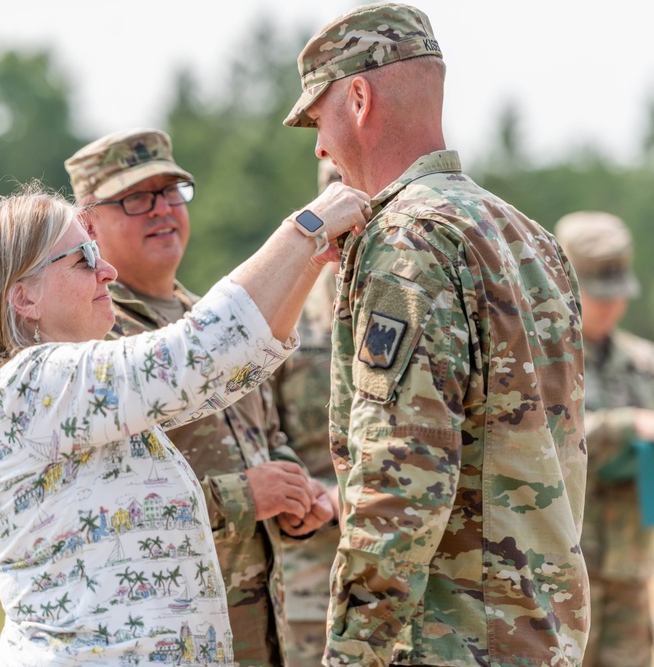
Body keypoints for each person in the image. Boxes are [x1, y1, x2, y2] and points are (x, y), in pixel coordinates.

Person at [0, 181, 369, 666]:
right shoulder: (29, 387)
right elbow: (194, 355)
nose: (107, 270)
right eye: (84, 259)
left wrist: (304, 262)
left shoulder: (63, 393)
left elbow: (225, 373)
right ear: (25, 299)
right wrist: (305, 229)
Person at [283, 3, 590, 666]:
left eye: (317, 117)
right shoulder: (528, 236)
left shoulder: (406, 240)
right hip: (539, 634)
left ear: (358, 98)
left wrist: (351, 652)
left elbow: (400, 477)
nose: (318, 146)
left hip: (449, 641)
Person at [63, 128, 338, 666]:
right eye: (137, 198)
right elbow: (101, 508)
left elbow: (267, 434)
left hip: (255, 631)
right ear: (89, 223)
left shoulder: (209, 320)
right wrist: (245, 497)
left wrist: (294, 492)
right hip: (163, 636)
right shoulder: (94, 342)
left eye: (172, 192)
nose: (163, 211)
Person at [554, 211, 654, 667]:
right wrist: (630, 424)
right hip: (561, 575)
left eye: (618, 294)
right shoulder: (539, 358)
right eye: (599, 294)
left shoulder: (647, 362)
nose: (612, 305)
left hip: (629, 570)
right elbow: (547, 438)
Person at [272, 159, 343, 667]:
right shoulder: (285, 313)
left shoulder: (427, 304)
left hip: (411, 581)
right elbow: (254, 437)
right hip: (308, 583)